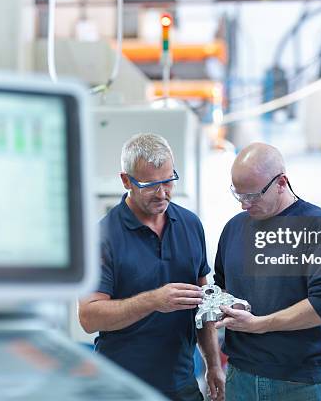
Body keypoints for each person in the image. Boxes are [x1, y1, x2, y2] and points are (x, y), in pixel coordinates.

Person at [79, 133, 225, 401]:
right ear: (126, 180)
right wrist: (153, 301)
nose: (162, 193)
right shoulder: (102, 237)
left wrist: (213, 365)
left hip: (181, 383)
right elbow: (88, 318)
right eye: (150, 184)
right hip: (121, 387)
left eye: (168, 181)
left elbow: (203, 304)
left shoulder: (190, 224)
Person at [213, 142, 321, 401]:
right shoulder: (233, 229)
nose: (244, 205)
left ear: (281, 182)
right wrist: (223, 304)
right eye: (239, 195)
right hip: (239, 377)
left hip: (297, 383)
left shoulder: (318, 226)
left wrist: (261, 324)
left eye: (253, 196)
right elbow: (223, 286)